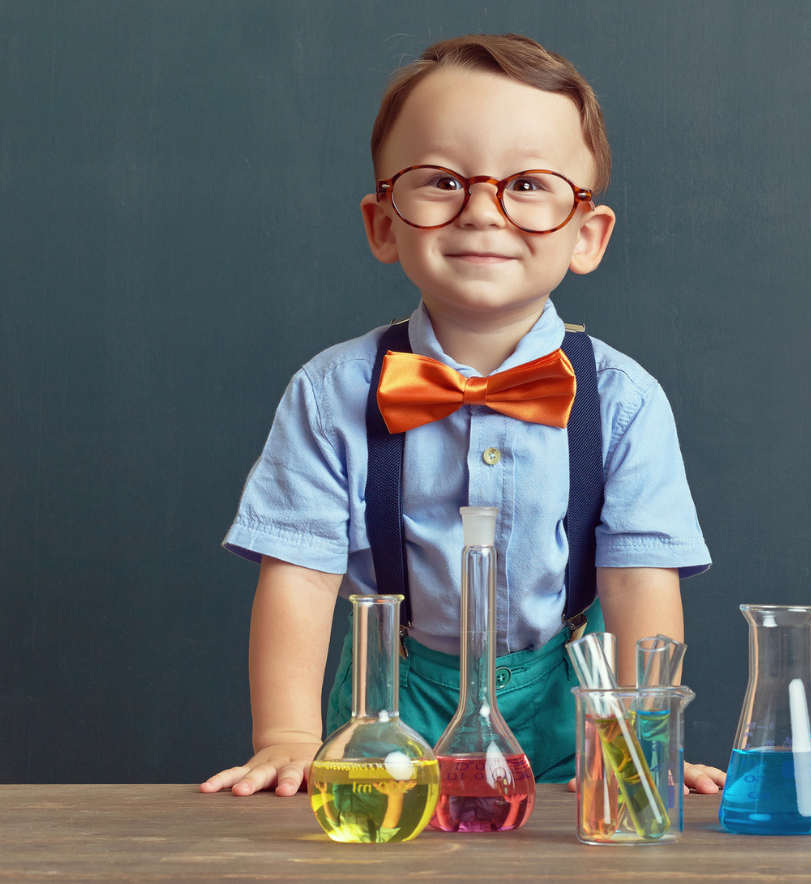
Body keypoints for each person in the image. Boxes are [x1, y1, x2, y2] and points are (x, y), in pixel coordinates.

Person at [201, 33, 724, 797]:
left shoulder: (623, 400)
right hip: (391, 693)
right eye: (442, 181)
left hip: (576, 695)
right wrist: (287, 736)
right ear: (384, 223)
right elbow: (301, 577)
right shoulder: (331, 392)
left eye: (528, 185)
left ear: (587, 235)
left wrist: (639, 734)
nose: (483, 211)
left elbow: (639, 585)